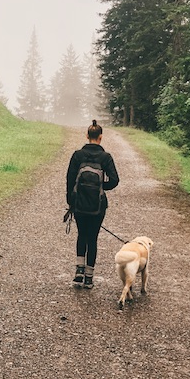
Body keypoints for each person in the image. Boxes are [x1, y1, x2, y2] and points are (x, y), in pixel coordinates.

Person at [65, 120, 120, 288]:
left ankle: (78, 273)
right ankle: (89, 278)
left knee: (82, 235)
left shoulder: (77, 155)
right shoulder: (106, 157)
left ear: (87, 136)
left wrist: (71, 201)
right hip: (98, 206)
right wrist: (101, 187)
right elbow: (115, 180)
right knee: (93, 238)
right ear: (101, 137)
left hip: (80, 204)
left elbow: (69, 179)